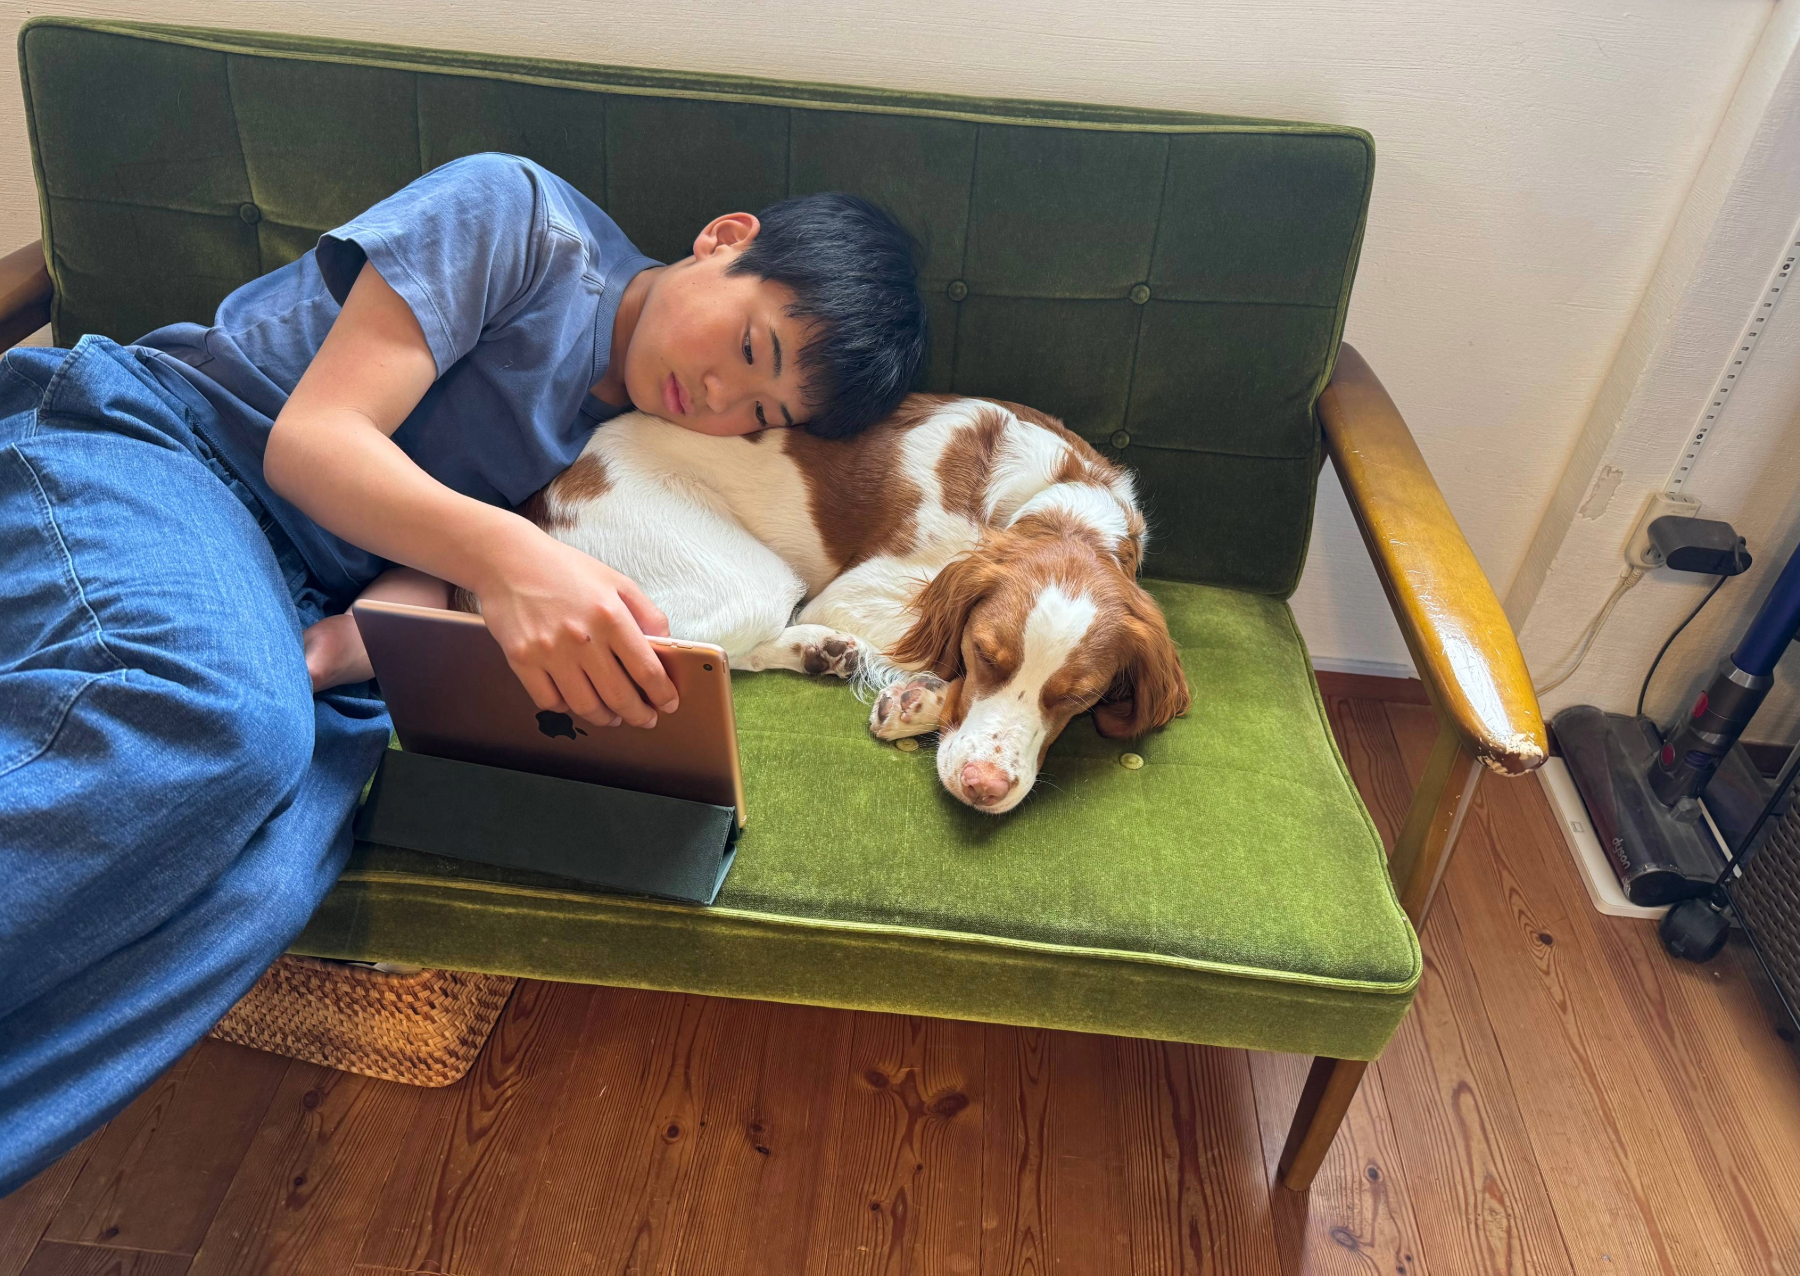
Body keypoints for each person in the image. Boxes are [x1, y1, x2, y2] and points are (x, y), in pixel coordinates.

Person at [0, 152, 928, 1193]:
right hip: (162, 447)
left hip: (283, 602)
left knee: (266, 889)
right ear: (725, 238)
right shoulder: (519, 219)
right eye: (749, 347)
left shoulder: (607, 439)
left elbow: (408, 575)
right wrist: (514, 559)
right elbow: (313, 442)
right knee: (234, 723)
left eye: (758, 417)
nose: (718, 397)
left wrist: (345, 653)